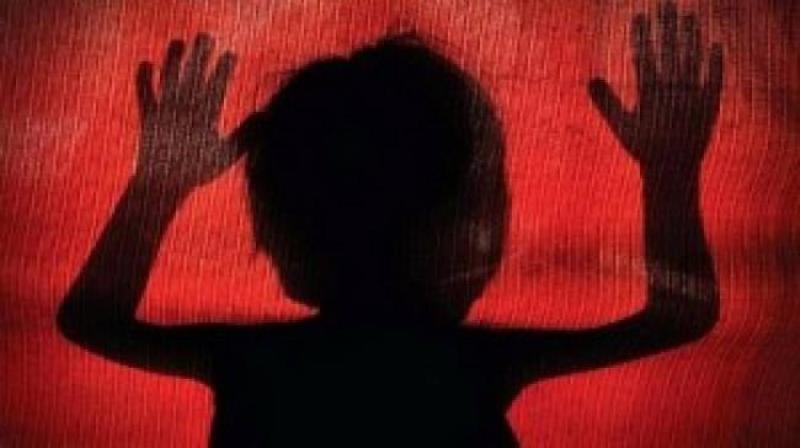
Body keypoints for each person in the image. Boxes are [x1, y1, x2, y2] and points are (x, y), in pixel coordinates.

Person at [58, 2, 723, 446]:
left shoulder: (254, 362)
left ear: (280, 229)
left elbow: (90, 319)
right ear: (466, 223)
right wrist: (668, 173)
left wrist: (157, 188)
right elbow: (679, 314)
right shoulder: (462, 364)